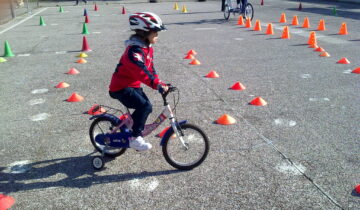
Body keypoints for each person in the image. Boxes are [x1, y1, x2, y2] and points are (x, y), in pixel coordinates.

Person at [109, 12, 168, 152]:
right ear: (145, 33)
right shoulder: (134, 52)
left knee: (147, 106)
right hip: (120, 88)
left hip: (132, 86)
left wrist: (159, 82)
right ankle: (134, 138)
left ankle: (129, 129)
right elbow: (141, 71)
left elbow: (150, 69)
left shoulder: (146, 49)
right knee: (144, 106)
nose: (157, 36)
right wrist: (155, 85)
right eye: (155, 33)